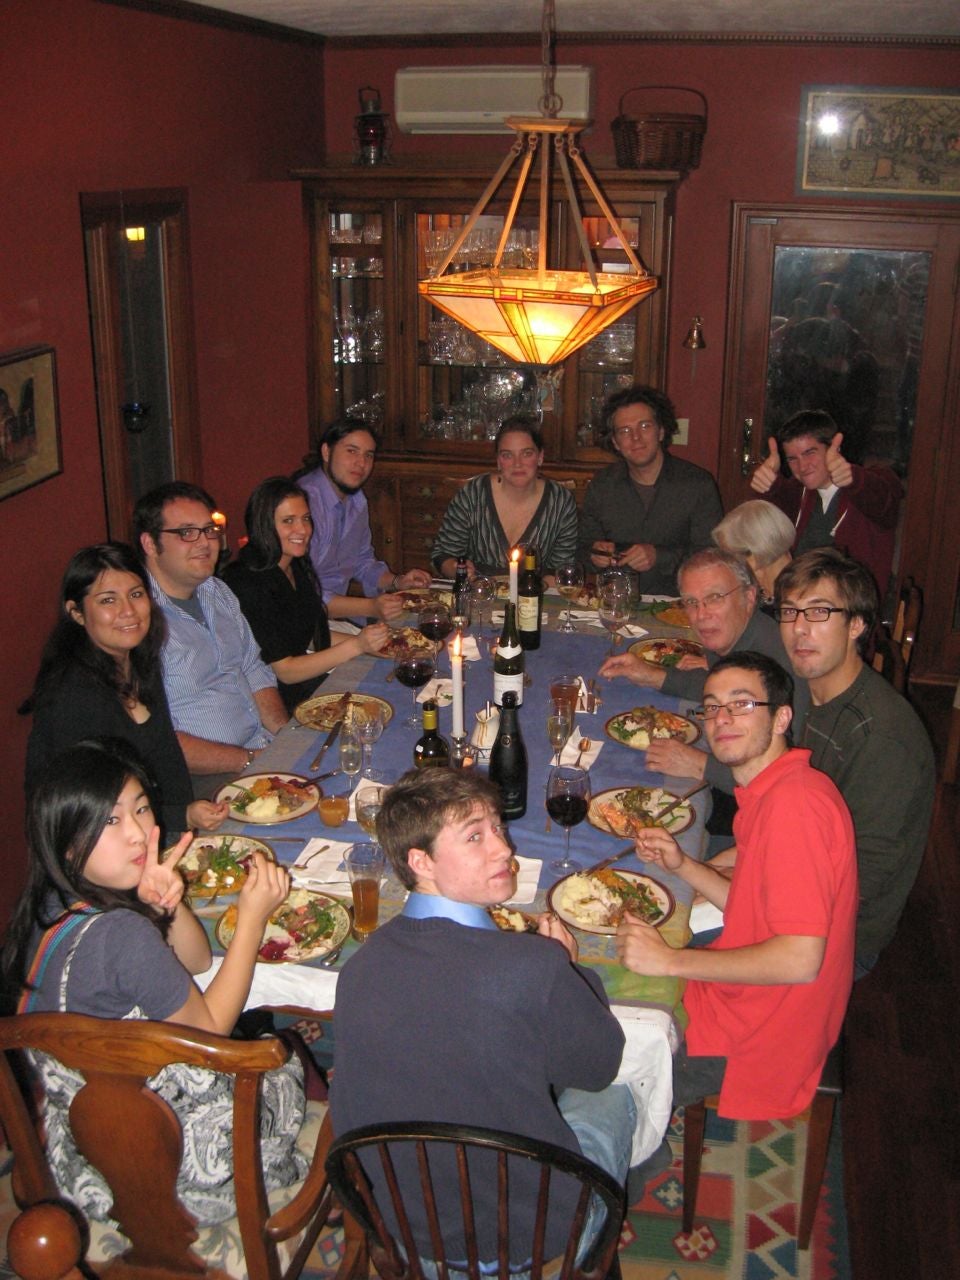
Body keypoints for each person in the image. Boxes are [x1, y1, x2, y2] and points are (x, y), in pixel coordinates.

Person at [331, 768, 633, 1266]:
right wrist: (570, 969)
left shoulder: (360, 966)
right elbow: (600, 1067)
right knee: (623, 1092)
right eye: (474, 837)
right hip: (529, 1233)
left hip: (405, 1224)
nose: (504, 849)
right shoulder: (533, 965)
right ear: (421, 862)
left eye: (498, 827)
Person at [0, 738, 303, 1225]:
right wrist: (252, 920)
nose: (139, 834)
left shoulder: (47, 908)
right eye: (110, 821)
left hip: (85, 1157)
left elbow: (196, 961)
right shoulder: (122, 936)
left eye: (141, 809)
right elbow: (209, 1033)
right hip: (170, 1169)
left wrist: (166, 905)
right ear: (68, 841)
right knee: (286, 1064)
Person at [616, 652, 857, 1120]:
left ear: (781, 718)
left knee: (601, 1066)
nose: (722, 719)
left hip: (762, 1032)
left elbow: (800, 959)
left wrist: (670, 961)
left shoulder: (795, 810)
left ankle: (632, 1146)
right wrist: (683, 864)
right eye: (712, 707)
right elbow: (753, 906)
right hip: (754, 998)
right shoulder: (778, 786)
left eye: (742, 704)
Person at [774, 548, 935, 975]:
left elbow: (860, 882)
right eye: (789, 611)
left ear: (857, 624)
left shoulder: (881, 738)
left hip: (833, 937)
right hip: (797, 869)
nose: (799, 628)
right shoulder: (813, 692)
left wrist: (745, 881)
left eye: (819, 612)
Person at [22, 543, 226, 839]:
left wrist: (186, 820)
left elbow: (167, 755)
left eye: (136, 594)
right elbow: (90, 806)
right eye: (108, 600)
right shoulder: (73, 695)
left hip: (154, 827)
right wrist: (179, 816)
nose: (128, 611)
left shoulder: (140, 662)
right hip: (96, 843)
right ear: (77, 613)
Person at [599, 548, 809, 792]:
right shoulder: (731, 638)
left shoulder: (773, 664)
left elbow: (781, 776)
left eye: (715, 598)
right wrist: (654, 676)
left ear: (749, 597)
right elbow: (721, 691)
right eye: (691, 602)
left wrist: (699, 765)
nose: (701, 615)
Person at [134, 481, 288, 785]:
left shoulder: (217, 592)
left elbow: (253, 669)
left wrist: (287, 738)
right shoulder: (137, 622)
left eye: (209, 530)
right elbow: (158, 737)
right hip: (202, 777)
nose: (205, 543)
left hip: (260, 746)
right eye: (187, 533)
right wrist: (249, 760)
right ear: (150, 544)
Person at [222, 477, 389, 714]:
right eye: (288, 521)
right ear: (263, 525)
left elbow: (310, 633)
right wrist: (358, 645)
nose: (302, 530)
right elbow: (286, 671)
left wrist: (380, 644)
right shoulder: (247, 582)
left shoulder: (293, 564)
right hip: (269, 700)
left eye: (306, 518)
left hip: (303, 683)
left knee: (385, 684)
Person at [577, 385, 723, 596]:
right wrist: (594, 554)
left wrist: (659, 556)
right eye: (624, 431)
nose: (635, 437)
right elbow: (582, 548)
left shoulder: (698, 485)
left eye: (644, 426)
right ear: (616, 442)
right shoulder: (602, 485)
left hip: (682, 601)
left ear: (661, 431)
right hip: (616, 600)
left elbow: (712, 556)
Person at [749, 408, 902, 597]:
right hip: (799, 599)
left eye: (809, 453)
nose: (802, 466)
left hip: (851, 606)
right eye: (793, 459)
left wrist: (854, 480)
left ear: (834, 449)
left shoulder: (870, 486)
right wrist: (768, 485)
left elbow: (885, 501)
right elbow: (766, 523)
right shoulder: (799, 492)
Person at [296, 421, 430, 622]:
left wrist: (398, 582)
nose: (361, 463)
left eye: (369, 455)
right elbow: (302, 594)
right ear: (326, 452)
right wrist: (371, 607)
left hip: (336, 618)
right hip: (303, 622)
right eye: (352, 451)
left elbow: (362, 562)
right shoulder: (304, 505)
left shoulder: (356, 500)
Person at [431, 415, 578, 582]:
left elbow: (562, 567)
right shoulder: (473, 494)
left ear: (540, 457)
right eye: (507, 455)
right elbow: (443, 555)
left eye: (526, 453)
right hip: (479, 590)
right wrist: (457, 569)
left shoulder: (561, 502)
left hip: (535, 592)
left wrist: (549, 582)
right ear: (498, 461)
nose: (517, 463)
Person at [712, 500, 795, 608]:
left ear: (756, 552)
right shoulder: (756, 587)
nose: (730, 564)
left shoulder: (801, 593)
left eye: (732, 556)